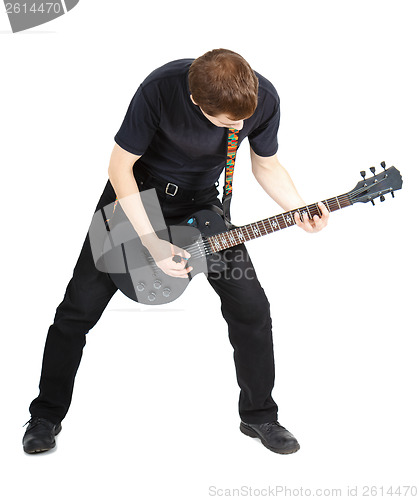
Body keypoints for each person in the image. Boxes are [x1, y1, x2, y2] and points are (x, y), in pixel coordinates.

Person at [23, 49, 328, 455]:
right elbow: (119, 168)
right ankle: (45, 415)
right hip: (134, 197)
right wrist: (152, 241)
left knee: (252, 309)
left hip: (202, 207)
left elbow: (266, 164)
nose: (239, 127)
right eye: (228, 122)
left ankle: (260, 416)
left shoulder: (264, 98)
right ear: (196, 100)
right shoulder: (160, 89)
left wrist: (298, 208)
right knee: (78, 308)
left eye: (243, 119)